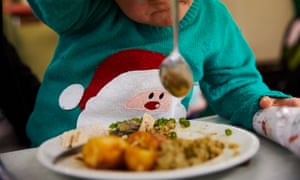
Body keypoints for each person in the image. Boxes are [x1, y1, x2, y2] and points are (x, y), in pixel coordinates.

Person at [26, 0, 300, 147]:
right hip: (61, 152)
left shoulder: (213, 17)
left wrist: (260, 102)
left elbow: (234, 83)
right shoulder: (85, 9)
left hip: (158, 153)